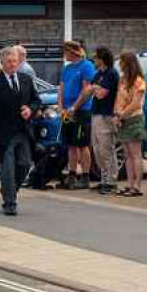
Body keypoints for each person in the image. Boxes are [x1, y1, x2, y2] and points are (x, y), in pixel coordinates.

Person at [0, 46, 42, 215]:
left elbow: (36, 100)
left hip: (23, 130)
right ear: (2, 63)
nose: (12, 64)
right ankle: (10, 202)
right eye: (9, 61)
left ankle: (9, 190)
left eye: (15, 61)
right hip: (3, 133)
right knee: (8, 168)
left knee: (24, 164)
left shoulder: (26, 79)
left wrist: (30, 110)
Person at [58, 40, 96, 189]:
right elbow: (61, 88)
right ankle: (72, 175)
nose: (64, 54)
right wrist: (61, 107)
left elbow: (86, 90)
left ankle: (85, 177)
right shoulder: (66, 69)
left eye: (66, 51)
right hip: (67, 111)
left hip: (81, 111)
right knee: (71, 145)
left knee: (82, 144)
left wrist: (74, 107)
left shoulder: (87, 66)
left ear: (73, 52)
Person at [86, 47, 119, 194]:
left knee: (106, 148)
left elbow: (101, 94)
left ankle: (111, 180)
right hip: (96, 113)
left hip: (107, 114)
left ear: (102, 59)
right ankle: (103, 178)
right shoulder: (98, 74)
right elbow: (89, 90)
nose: (94, 60)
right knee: (97, 148)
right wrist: (95, 87)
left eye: (96, 57)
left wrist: (95, 88)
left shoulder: (111, 74)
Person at [114, 51, 147, 197]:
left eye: (121, 61)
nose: (119, 64)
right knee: (127, 154)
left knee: (135, 154)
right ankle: (130, 183)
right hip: (122, 119)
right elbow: (118, 99)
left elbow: (135, 103)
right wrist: (116, 114)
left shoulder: (138, 81)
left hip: (133, 118)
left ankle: (137, 186)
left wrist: (121, 115)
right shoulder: (122, 80)